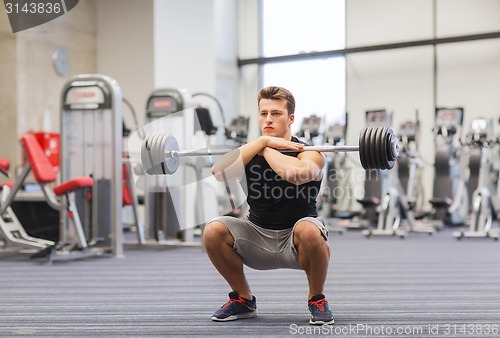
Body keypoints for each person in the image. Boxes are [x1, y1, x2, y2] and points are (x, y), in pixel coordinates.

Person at [203, 86, 334, 325]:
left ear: (291, 118)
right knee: (213, 230)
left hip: (296, 241)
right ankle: (244, 300)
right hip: (257, 237)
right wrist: (263, 142)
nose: (268, 119)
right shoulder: (252, 150)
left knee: (310, 229)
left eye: (276, 113)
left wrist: (265, 147)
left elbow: (295, 174)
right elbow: (218, 172)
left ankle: (317, 298)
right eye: (264, 114)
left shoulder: (310, 153)